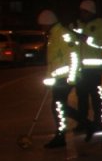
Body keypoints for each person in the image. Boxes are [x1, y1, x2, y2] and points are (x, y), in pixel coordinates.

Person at [37, 9, 90, 149]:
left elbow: (73, 55)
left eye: (42, 25)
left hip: (65, 77)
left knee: (58, 106)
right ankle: (85, 125)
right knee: (59, 106)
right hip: (59, 78)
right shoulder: (54, 35)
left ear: (47, 23)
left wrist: (72, 77)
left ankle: (64, 134)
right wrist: (50, 79)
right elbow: (54, 61)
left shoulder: (62, 34)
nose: (41, 27)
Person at [71, 0, 102, 138]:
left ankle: (98, 122)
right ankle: (83, 122)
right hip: (80, 69)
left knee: (96, 97)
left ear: (91, 12)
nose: (83, 14)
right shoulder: (76, 24)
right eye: (81, 11)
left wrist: (88, 39)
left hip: (94, 69)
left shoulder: (100, 24)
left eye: (85, 11)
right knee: (81, 97)